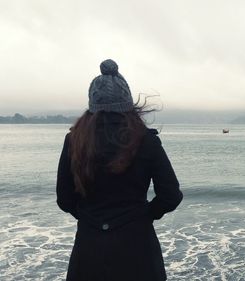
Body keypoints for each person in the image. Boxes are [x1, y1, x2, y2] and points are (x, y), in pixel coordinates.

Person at [56, 59, 183, 281]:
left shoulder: (74, 140)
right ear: (127, 104)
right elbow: (171, 195)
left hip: (89, 248)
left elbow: (64, 199)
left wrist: (89, 216)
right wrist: (144, 216)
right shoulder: (146, 141)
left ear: (92, 105)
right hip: (137, 247)